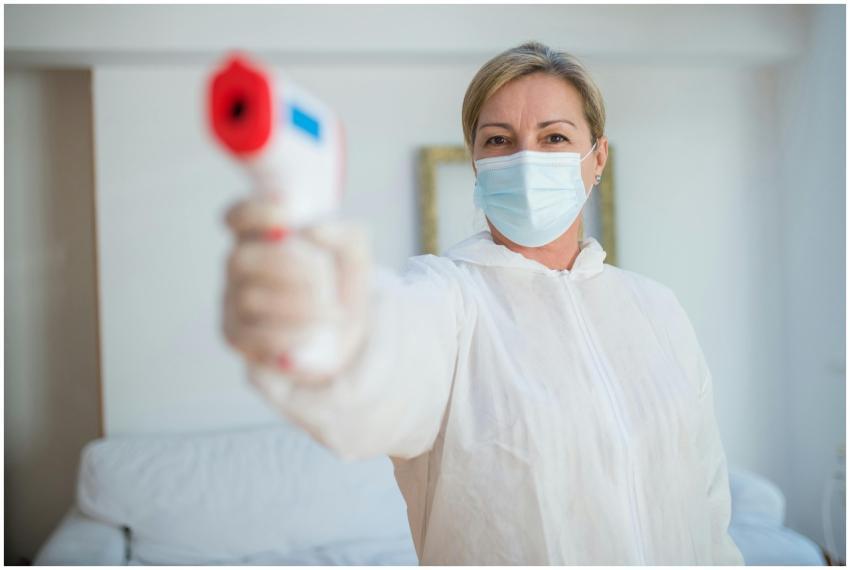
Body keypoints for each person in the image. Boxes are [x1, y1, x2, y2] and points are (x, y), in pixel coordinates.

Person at [221, 41, 744, 565]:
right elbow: (376, 372)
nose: (524, 159)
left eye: (555, 137)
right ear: (475, 163)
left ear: (597, 158)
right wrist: (323, 323)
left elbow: (708, 503)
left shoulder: (656, 310)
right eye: (499, 140)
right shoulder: (447, 300)